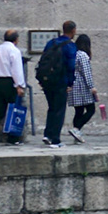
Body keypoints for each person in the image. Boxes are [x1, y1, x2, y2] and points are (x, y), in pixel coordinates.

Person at [36, 20, 79, 149]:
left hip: (48, 80)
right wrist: (70, 83)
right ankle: (55, 139)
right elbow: (71, 66)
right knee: (59, 110)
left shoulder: (51, 42)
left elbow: (43, 60)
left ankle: (47, 134)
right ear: (73, 30)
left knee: (52, 108)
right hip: (61, 81)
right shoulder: (70, 46)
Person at [0, 29, 27, 147]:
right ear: (16, 39)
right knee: (13, 109)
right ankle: (13, 138)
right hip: (9, 81)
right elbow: (17, 70)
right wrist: (19, 85)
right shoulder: (14, 51)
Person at [68, 34, 97, 142]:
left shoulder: (74, 53)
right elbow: (86, 72)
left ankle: (77, 134)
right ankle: (76, 129)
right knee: (91, 109)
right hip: (81, 86)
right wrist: (91, 86)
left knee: (79, 111)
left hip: (73, 84)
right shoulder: (83, 55)